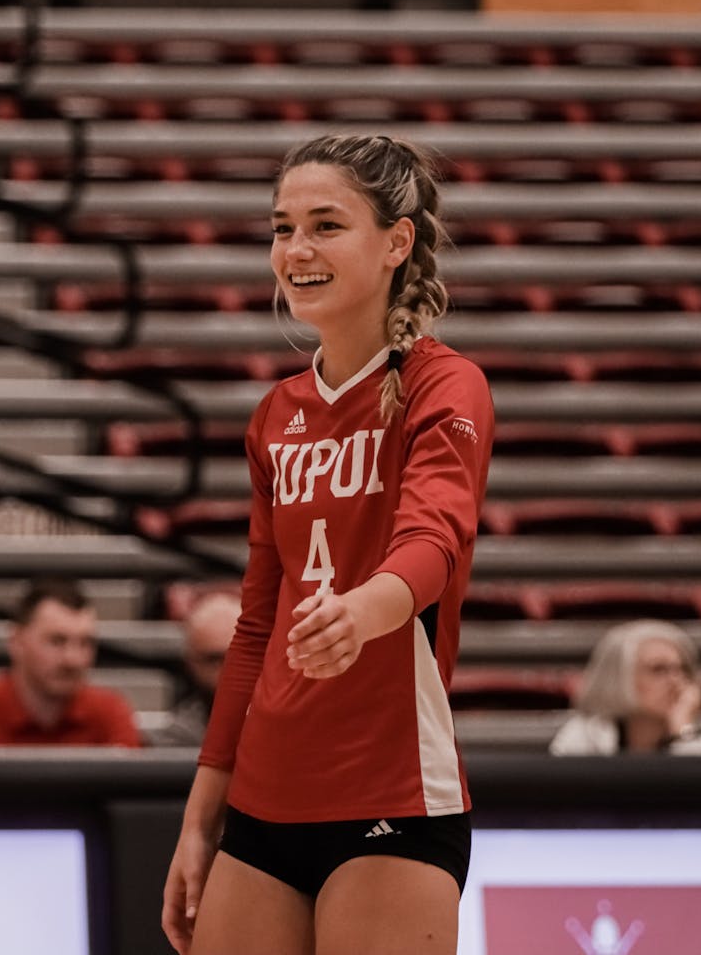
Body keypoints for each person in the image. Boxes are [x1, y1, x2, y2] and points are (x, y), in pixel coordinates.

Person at [162, 134, 495, 955]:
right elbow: (254, 629)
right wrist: (200, 820)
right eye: (283, 228)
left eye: (325, 225)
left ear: (396, 242)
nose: (296, 250)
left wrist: (361, 611)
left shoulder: (444, 384)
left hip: (392, 795)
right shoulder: (274, 415)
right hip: (263, 801)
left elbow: (434, 543)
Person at [0, 579, 142, 748]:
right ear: (16, 641)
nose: (73, 659)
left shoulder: (110, 714)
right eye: (57, 641)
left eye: (85, 643)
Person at [549, 619, 701, 756]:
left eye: (682, 669)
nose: (676, 680)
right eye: (658, 669)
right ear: (619, 677)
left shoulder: (700, 743)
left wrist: (682, 731)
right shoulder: (584, 735)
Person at [151, 591, 241, 747]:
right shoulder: (177, 740)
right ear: (190, 662)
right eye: (213, 660)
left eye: (237, 658)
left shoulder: (283, 723)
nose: (227, 671)